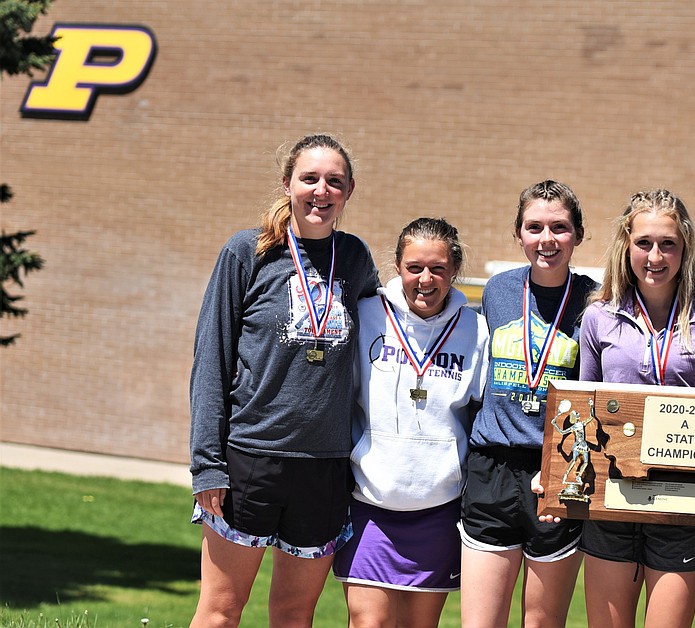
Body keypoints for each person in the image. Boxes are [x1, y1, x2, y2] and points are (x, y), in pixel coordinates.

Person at [189, 133, 380, 627]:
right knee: (219, 612)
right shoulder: (247, 252)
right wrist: (207, 464)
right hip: (252, 457)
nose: (321, 191)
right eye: (310, 178)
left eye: (334, 182)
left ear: (349, 190)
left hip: (325, 465)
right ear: (287, 183)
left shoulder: (356, 259)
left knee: (295, 614)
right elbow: (211, 358)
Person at [575, 189, 695, 628]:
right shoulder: (599, 316)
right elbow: (582, 409)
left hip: (683, 502)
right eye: (644, 242)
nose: (655, 255)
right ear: (626, 245)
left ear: (685, 248)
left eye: (668, 243)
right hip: (613, 497)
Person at [332, 218, 489, 627]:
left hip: (437, 507)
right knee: (369, 623)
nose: (425, 279)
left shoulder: (475, 330)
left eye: (437, 268)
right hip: (370, 502)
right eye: (414, 267)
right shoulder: (367, 316)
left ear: (454, 269)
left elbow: (481, 413)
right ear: (397, 267)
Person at [459, 180, 599, 628]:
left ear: (578, 234)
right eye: (534, 227)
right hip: (492, 469)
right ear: (518, 234)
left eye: (559, 227)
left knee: (541, 622)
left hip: (559, 470)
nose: (547, 239)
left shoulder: (596, 301)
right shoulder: (498, 290)